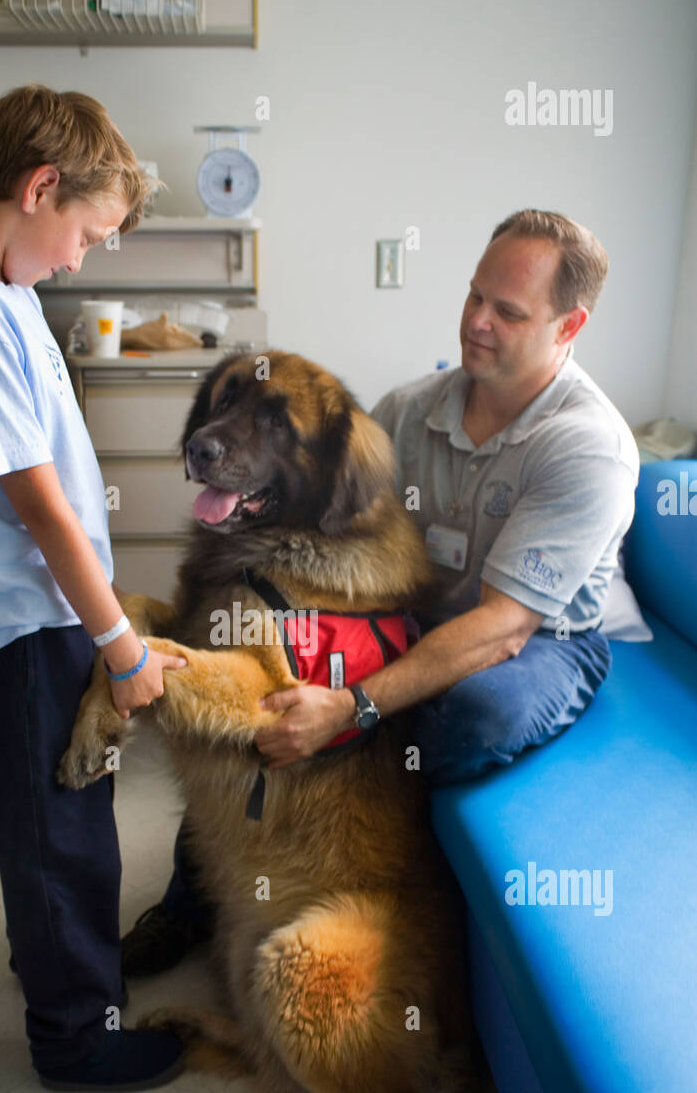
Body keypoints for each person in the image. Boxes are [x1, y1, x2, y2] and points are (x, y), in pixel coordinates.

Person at [124, 208, 639, 974]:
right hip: (411, 616)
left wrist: (351, 705)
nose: (477, 322)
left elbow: (502, 626)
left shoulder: (587, 447)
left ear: (570, 326)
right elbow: (333, 531)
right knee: (258, 673)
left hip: (541, 637)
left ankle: (381, 881)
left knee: (474, 713)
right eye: (475, 295)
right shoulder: (406, 410)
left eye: (508, 311)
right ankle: (190, 901)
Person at [0, 83, 189, 1093]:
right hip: (28, 622)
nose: (79, 260)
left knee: (48, 818)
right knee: (64, 837)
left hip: (32, 611)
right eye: (87, 235)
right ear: (39, 186)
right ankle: (75, 1041)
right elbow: (43, 511)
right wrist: (123, 647)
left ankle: (50, 956)